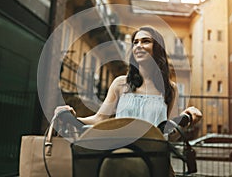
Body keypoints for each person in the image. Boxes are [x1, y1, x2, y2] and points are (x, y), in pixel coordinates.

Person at [55, 26, 202, 176]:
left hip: (155, 163)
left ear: (157, 48)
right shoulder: (120, 84)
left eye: (145, 41)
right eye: (135, 42)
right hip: (120, 161)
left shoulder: (170, 89)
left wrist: (187, 117)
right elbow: (99, 119)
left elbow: (170, 133)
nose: (138, 46)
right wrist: (71, 118)